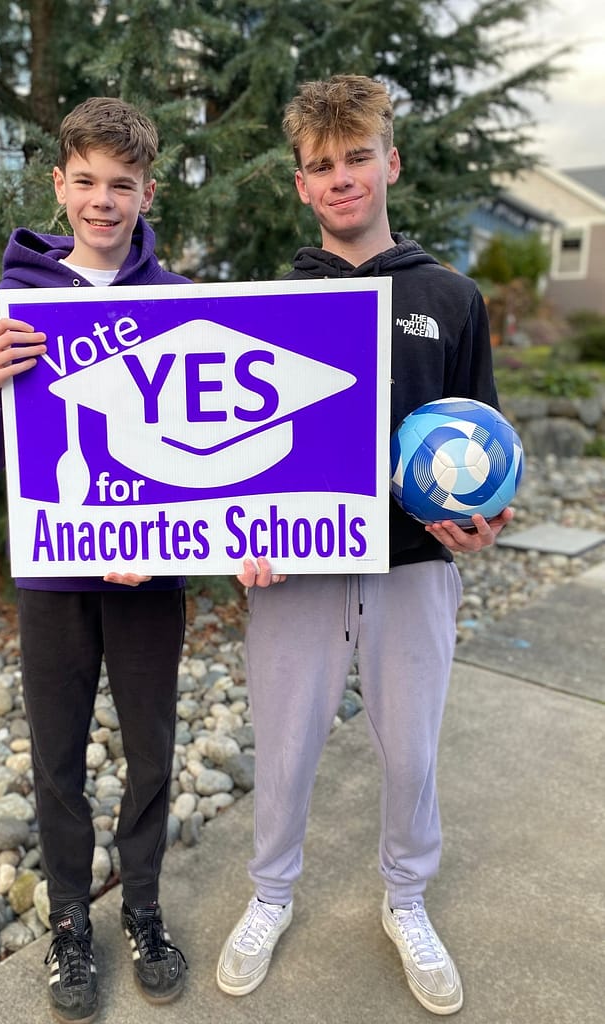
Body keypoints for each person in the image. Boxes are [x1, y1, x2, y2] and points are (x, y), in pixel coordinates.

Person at [216, 75, 513, 1016]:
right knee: (284, 747)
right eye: (321, 165)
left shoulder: (449, 295)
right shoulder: (272, 299)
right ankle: (270, 894)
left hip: (412, 567)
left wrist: (482, 520)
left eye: (356, 157)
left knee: (411, 754)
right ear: (300, 185)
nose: (340, 177)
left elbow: (480, 441)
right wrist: (234, 531)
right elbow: (233, 448)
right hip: (295, 567)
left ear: (390, 163)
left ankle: (406, 899)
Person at [0, 96, 188, 1024]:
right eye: (85, 181)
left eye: (121, 184)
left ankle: (142, 910)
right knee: (57, 757)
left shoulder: (178, 300)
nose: (102, 200)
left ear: (146, 193)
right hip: (54, 574)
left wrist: (167, 537)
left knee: (151, 749)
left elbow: (199, 454)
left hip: (148, 579)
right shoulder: (16, 299)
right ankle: (66, 922)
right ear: (58, 185)